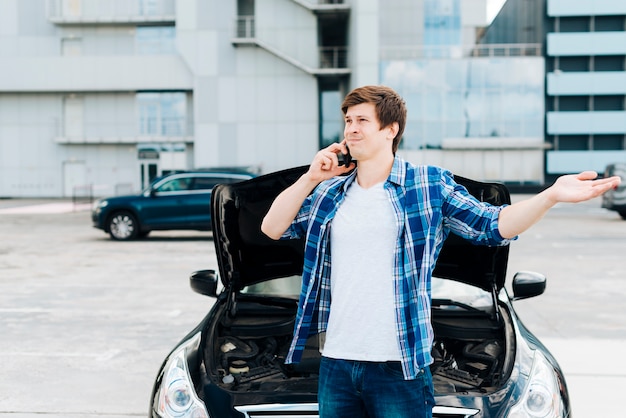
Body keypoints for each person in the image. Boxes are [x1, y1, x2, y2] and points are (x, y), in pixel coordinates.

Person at [260, 85, 620, 418]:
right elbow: (272, 228)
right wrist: (310, 177)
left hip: (399, 365)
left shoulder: (427, 185)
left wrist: (550, 196)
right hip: (337, 360)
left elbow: (494, 225)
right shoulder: (329, 194)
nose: (351, 129)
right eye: (348, 121)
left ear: (391, 129)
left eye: (362, 121)